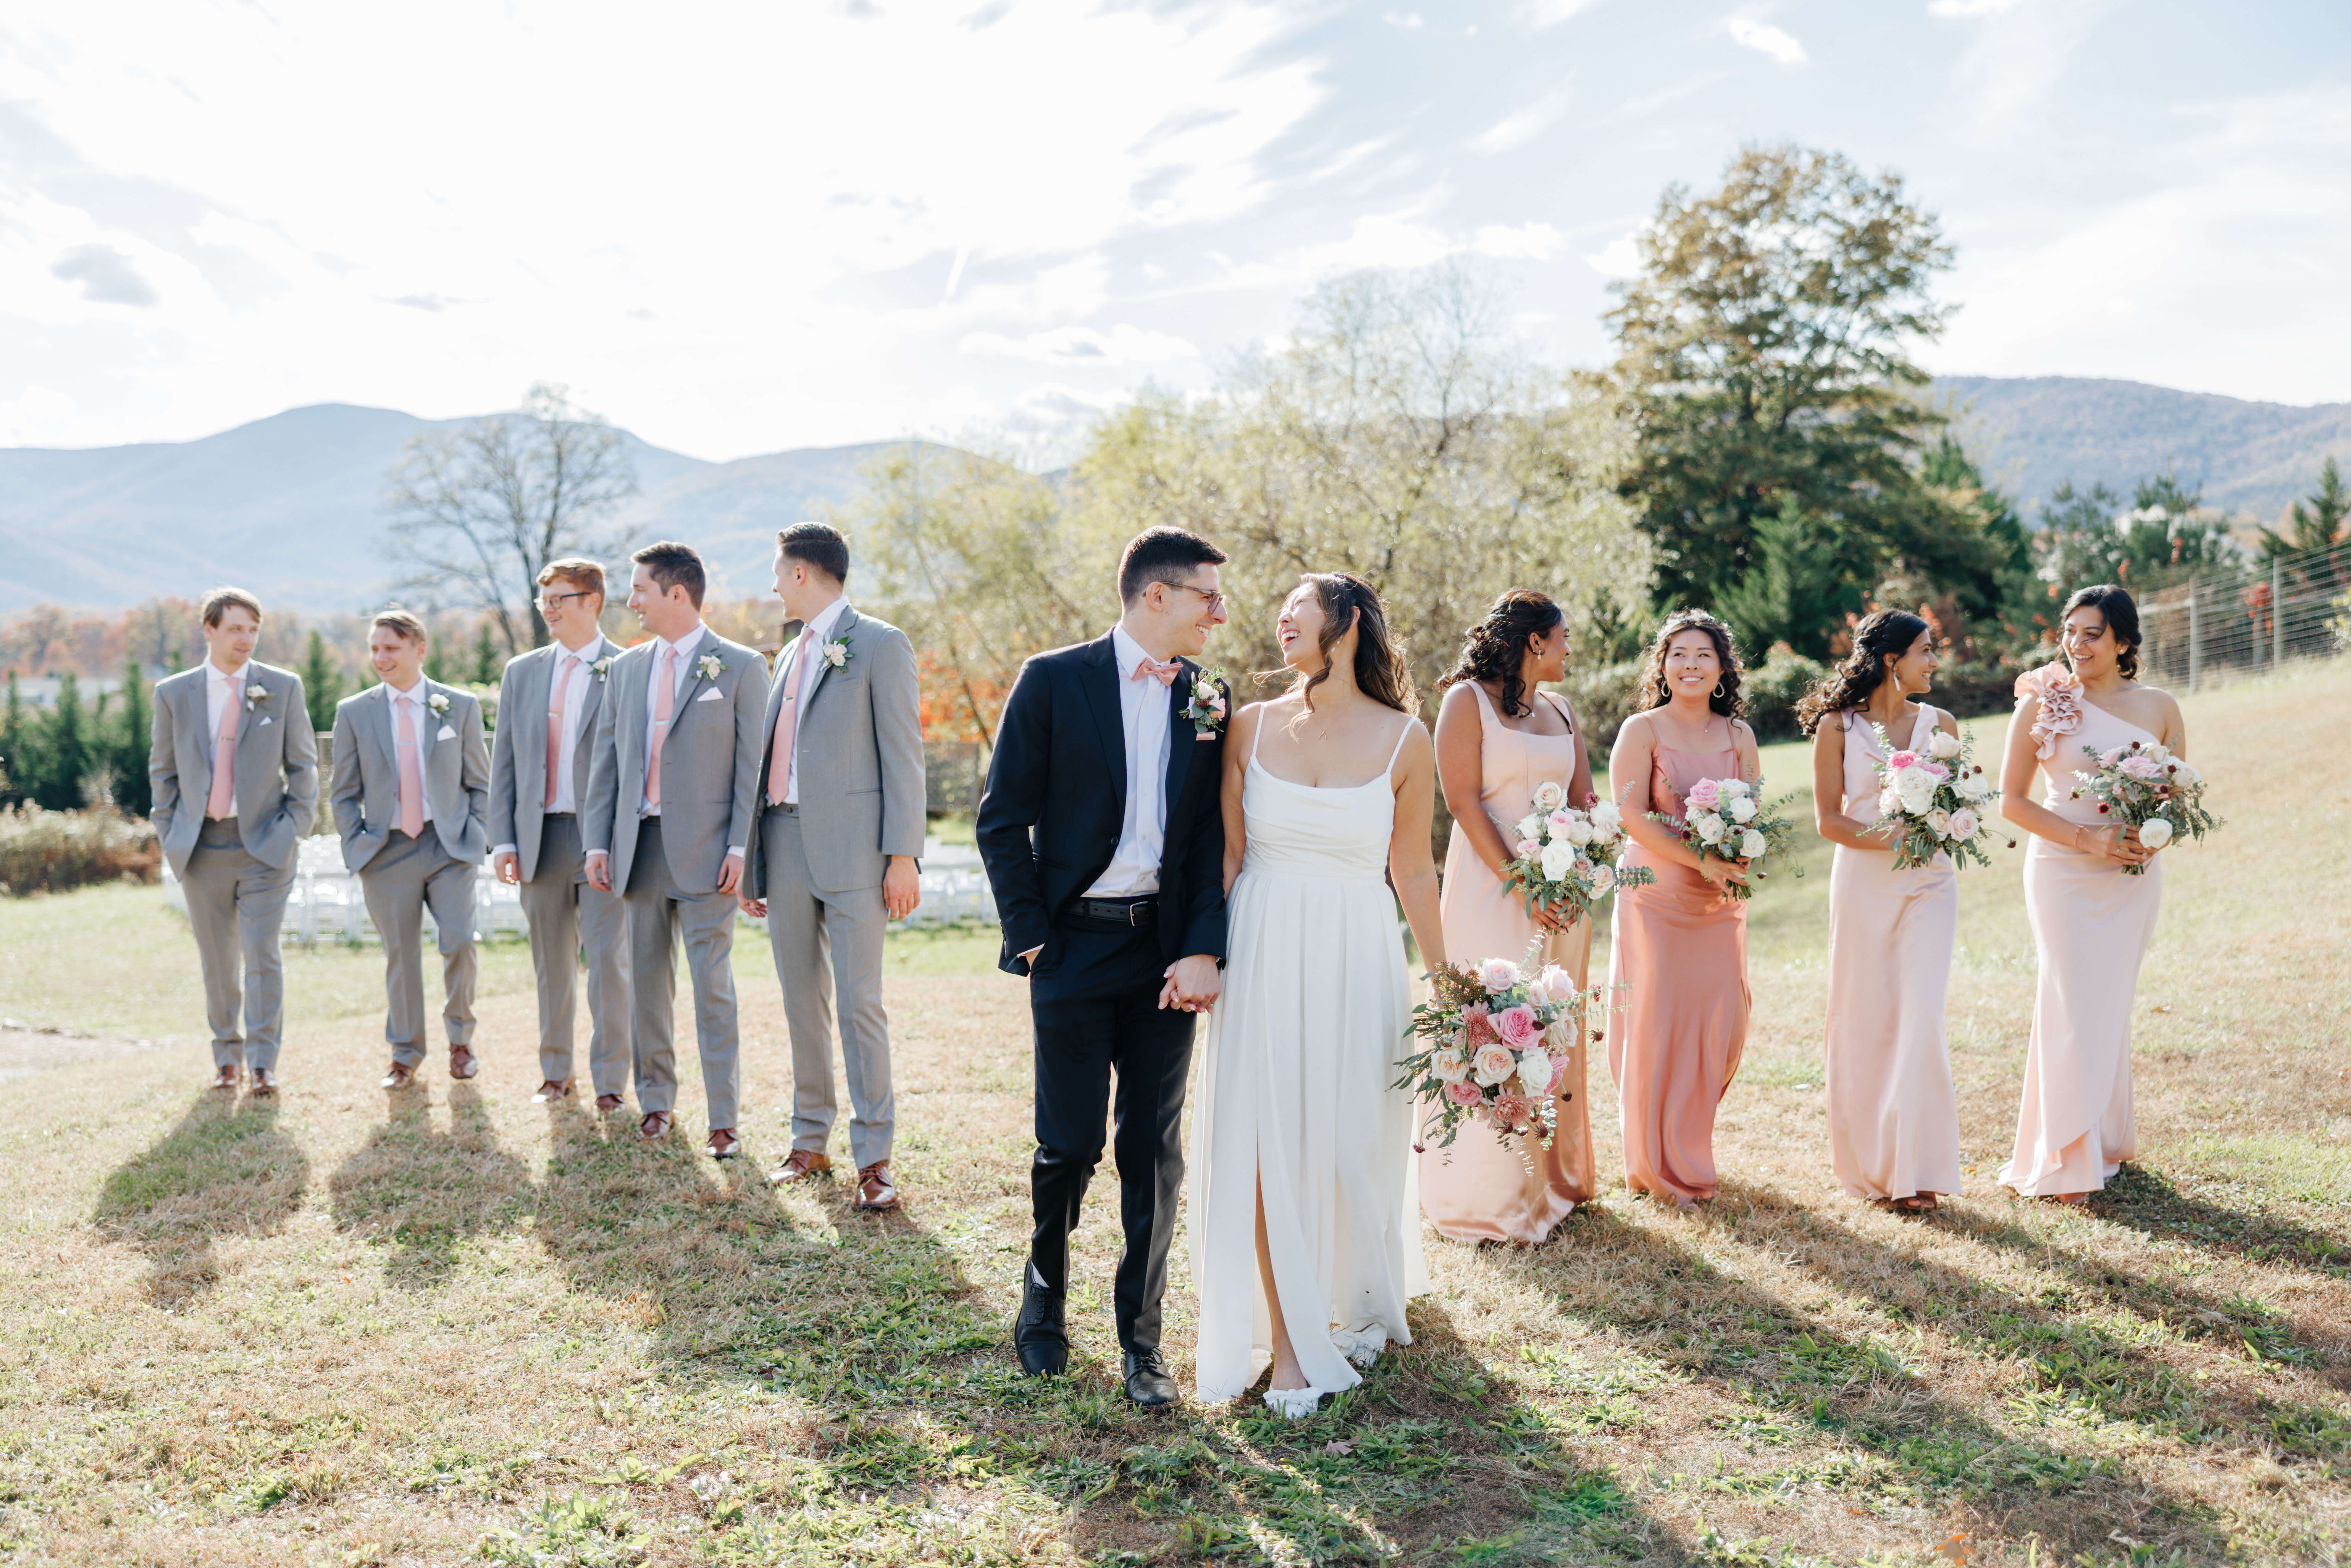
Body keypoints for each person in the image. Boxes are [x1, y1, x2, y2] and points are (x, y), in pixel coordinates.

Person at [975, 527, 1231, 1409]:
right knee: (1071, 1141)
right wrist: (1034, 934)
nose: (1220, 613)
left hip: (1163, 953)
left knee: (1150, 1149)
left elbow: (1205, 840)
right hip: (1073, 943)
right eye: (1207, 595)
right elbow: (1001, 817)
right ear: (1154, 594)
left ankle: (1142, 1339)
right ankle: (1042, 1297)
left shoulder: (1208, 697)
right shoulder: (1053, 678)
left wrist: (1202, 943)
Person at [1191, 573, 1441, 1416]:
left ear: (1348, 624)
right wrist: (1203, 955)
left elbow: (1411, 867)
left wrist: (1448, 978)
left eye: (1296, 609)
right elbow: (1224, 857)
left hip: (1359, 947)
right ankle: (1294, 1344)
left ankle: (1356, 1292)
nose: (1280, 621)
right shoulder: (1248, 726)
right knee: (1263, 1137)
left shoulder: (1409, 739)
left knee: (1349, 1135)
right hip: (1262, 938)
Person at [742, 522, 927, 1212]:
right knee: (799, 1001)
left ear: (801, 574)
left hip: (857, 853)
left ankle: (873, 1157)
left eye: (776, 571)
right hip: (783, 844)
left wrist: (902, 854)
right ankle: (808, 1139)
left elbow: (903, 755)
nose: (770, 585)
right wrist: (757, 862)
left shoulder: (880, 643)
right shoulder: (789, 654)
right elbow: (766, 767)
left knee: (859, 1004)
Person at [1418, 589, 1598, 1244]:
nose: (1569, 646)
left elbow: (1582, 798)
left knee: (1551, 1029)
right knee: (1493, 1024)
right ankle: (1486, 1195)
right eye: (1563, 634)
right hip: (1490, 886)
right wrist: (1522, 882)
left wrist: (1585, 862)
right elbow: (1462, 802)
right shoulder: (1464, 702)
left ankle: (1552, 1178)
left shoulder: (1562, 709)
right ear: (1533, 641)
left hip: (1562, 897)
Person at [582, 541, 768, 1157]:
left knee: (712, 987)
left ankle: (724, 1117)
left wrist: (742, 848)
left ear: (676, 594)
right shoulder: (625, 670)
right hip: (636, 850)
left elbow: (751, 771)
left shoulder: (740, 666)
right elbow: (605, 763)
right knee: (645, 985)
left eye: (638, 589)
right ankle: (656, 1101)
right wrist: (596, 842)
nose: (629, 600)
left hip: (710, 854)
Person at [1997, 584, 2182, 1203]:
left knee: (2106, 1001)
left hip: (2129, 877)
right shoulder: (2043, 705)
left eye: (2091, 633)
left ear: (2123, 641)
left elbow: (2174, 797)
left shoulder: (2159, 707)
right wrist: (2089, 838)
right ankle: (2061, 1156)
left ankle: (2100, 1138)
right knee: (2069, 1000)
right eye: (2069, 631)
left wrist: (2149, 838)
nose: (2075, 644)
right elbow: (2012, 801)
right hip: (2061, 868)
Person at [1799, 609, 1962, 1213]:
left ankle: (1918, 1169)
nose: (1933, 662)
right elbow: (1829, 820)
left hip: (1929, 885)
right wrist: (1896, 836)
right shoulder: (1836, 728)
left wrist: (1941, 823)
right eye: (1926, 650)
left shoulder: (1940, 722)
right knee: (1867, 1016)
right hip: (1865, 883)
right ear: (1892, 658)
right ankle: (1873, 1164)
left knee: (1920, 1015)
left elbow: (1956, 797)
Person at [1606, 609, 1759, 1210]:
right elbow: (1630, 815)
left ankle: (1689, 1144)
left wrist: (1738, 858)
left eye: (1702, 654)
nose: (1689, 664)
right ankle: (1655, 1165)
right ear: (1662, 666)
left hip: (1718, 896)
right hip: (1656, 890)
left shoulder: (1738, 735)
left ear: (1721, 667)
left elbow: (1750, 811)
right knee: (1659, 1020)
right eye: (1678, 654)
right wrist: (1700, 862)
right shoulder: (1641, 728)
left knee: (1721, 1021)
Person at [148, 587, 319, 1096]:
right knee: (218, 958)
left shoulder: (282, 687)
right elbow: (163, 771)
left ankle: (264, 1062)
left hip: (267, 843)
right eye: (235, 629)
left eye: (253, 629)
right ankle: (228, 1056)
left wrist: (294, 830)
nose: (246, 639)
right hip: (201, 846)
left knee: (262, 952)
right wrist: (169, 830)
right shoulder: (174, 693)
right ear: (210, 630)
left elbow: (304, 766)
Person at [489, 559, 630, 1109]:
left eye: (560, 599)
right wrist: (504, 840)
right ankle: (555, 1072)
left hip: (606, 843)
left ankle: (612, 1081)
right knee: (551, 964)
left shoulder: (628, 668)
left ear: (592, 601)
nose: (548, 609)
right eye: (543, 599)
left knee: (608, 964)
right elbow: (504, 762)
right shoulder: (521, 673)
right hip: (538, 839)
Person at [330, 609, 490, 1090]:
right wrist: (357, 843)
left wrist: (477, 831)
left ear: (419, 650)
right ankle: (405, 1055)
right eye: (375, 648)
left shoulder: (457, 706)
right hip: (385, 851)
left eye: (391, 648)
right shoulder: (353, 712)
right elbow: (341, 792)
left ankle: (461, 1041)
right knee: (401, 955)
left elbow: (480, 782)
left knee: (459, 940)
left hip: (450, 848)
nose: (380, 657)